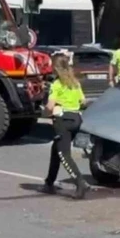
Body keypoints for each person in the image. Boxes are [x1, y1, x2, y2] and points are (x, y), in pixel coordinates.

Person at [43, 54, 89, 199]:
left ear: (55, 68)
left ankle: (80, 183)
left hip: (63, 120)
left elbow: (50, 107)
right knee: (56, 149)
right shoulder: (75, 83)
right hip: (76, 119)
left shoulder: (56, 84)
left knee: (64, 154)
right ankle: (49, 182)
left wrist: (44, 111)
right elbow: (84, 101)